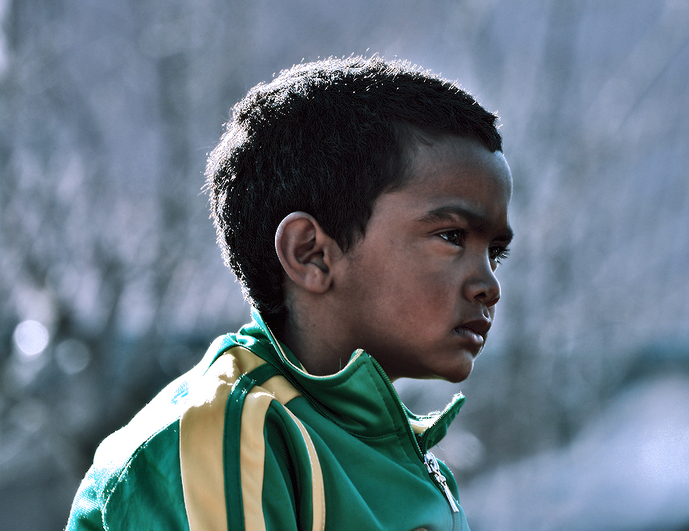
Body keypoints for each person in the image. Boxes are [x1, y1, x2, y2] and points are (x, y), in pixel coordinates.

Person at [66, 55, 513, 531]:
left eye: (495, 254)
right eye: (452, 237)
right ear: (311, 255)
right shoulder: (230, 437)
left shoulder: (413, 463)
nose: (490, 286)